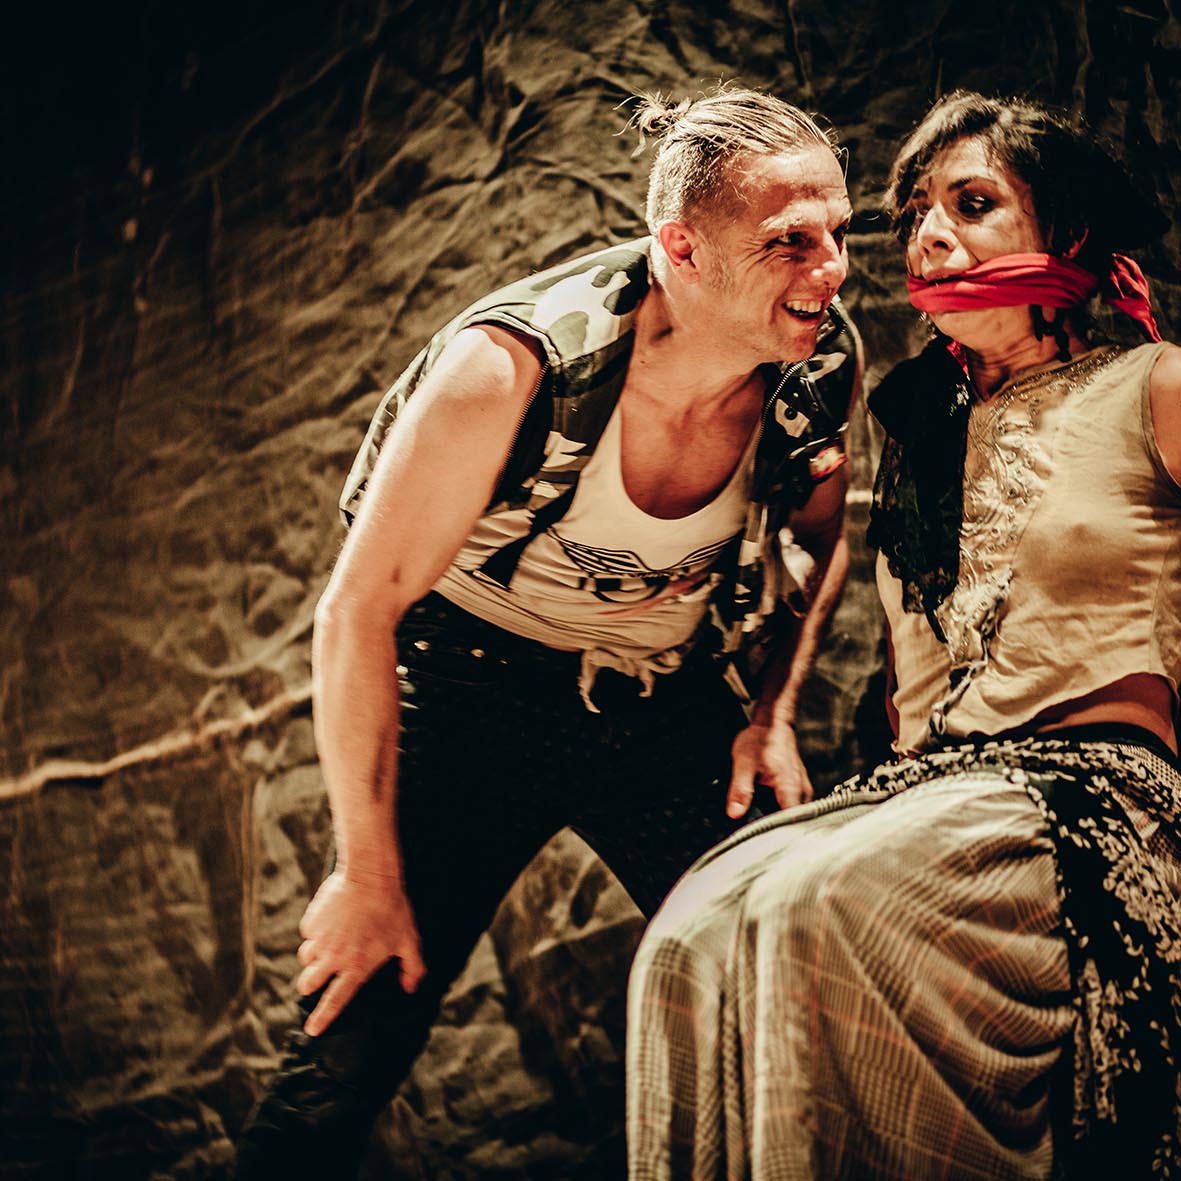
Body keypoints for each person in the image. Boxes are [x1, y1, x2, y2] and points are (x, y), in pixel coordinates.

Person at [626, 91, 1181, 1181]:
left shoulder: (1161, 387)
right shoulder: (916, 435)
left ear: (1063, 231)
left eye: (972, 204)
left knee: (808, 906)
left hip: (1093, 800)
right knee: (688, 935)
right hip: (925, 797)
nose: (929, 236)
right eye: (916, 215)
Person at [235, 84, 864, 1176]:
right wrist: (367, 872)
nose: (832, 271)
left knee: (798, 990)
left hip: (665, 699)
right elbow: (357, 609)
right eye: (790, 243)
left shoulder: (812, 360)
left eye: (840, 235)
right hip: (475, 695)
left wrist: (768, 715)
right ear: (681, 248)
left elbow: (823, 540)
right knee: (351, 1045)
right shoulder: (512, 368)